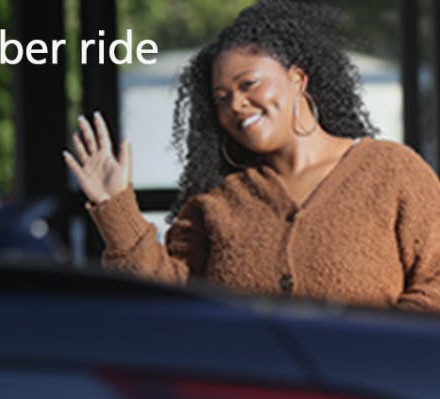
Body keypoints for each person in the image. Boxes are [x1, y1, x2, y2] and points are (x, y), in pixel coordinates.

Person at [63, 0, 440, 312]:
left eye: (249, 84)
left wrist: (374, 353)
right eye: (222, 98)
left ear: (297, 79)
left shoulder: (393, 172)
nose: (237, 105)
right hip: (243, 385)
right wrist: (115, 206)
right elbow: (171, 299)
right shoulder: (217, 200)